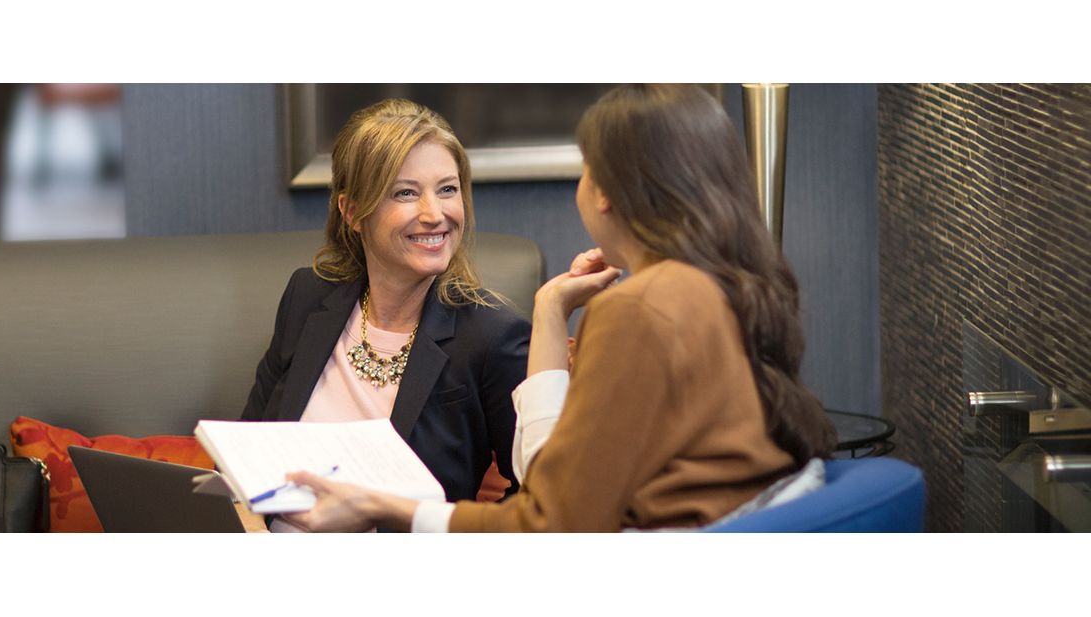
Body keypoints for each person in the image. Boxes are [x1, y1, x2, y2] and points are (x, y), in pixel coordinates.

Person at [281, 84, 838, 532]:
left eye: (585, 168)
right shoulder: (735, 287)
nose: (434, 212)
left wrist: (386, 508)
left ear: (607, 192)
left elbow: (554, 524)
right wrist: (551, 308)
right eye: (406, 192)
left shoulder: (637, 311)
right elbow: (558, 482)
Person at [240, 99, 528, 531]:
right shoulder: (308, 296)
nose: (435, 214)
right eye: (406, 193)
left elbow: (541, 504)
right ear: (353, 212)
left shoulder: (493, 335)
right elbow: (248, 447)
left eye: (447, 189)